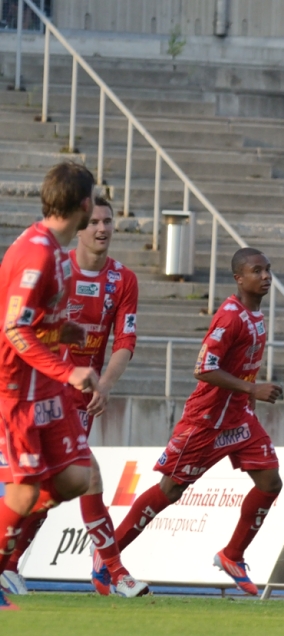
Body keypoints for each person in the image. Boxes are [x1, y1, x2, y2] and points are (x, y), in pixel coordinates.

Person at [109, 247, 284, 596]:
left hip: (239, 418)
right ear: (239, 278)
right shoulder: (230, 317)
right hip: (205, 421)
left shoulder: (257, 315)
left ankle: (233, 554)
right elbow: (203, 368)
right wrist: (253, 388)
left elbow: (244, 363)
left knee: (270, 481)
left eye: (268, 270)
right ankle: (108, 555)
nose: (265, 276)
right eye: (256, 271)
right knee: (171, 489)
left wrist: (248, 397)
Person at [1, 197, 149, 598]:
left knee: (63, 483)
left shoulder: (123, 279)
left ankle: (11, 561)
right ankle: (111, 570)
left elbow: (126, 339)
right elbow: (24, 326)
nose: (102, 228)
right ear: (80, 226)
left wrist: (104, 384)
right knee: (83, 478)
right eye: (95, 221)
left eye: (108, 221)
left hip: (84, 389)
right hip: (46, 386)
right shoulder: (55, 263)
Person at [0, 162, 101, 611]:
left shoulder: (56, 250)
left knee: (77, 477)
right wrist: (68, 370)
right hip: (17, 388)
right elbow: (14, 331)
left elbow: (38, 324)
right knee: (23, 493)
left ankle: (7, 543)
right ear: (84, 205)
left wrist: (65, 331)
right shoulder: (37, 253)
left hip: (44, 386)